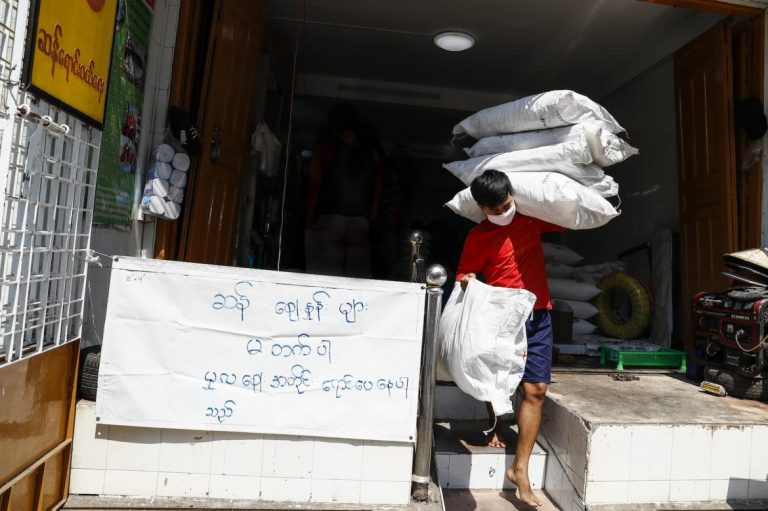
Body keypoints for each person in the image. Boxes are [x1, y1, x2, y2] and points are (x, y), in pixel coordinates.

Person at [455, 169, 564, 507]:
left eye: (506, 206)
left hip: (539, 313)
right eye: (495, 210)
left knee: (537, 390)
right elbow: (463, 272)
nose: (503, 213)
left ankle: (520, 469)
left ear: (512, 197)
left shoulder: (531, 221)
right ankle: (496, 426)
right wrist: (467, 279)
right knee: (499, 383)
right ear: (482, 208)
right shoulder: (478, 236)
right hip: (502, 317)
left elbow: (568, 214)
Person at [305, 104, 383, 277]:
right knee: (356, 282)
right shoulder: (373, 153)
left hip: (330, 220)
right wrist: (369, 220)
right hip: (360, 224)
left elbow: (314, 186)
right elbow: (377, 191)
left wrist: (308, 223)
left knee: (325, 279)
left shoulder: (325, 149)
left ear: (333, 126)